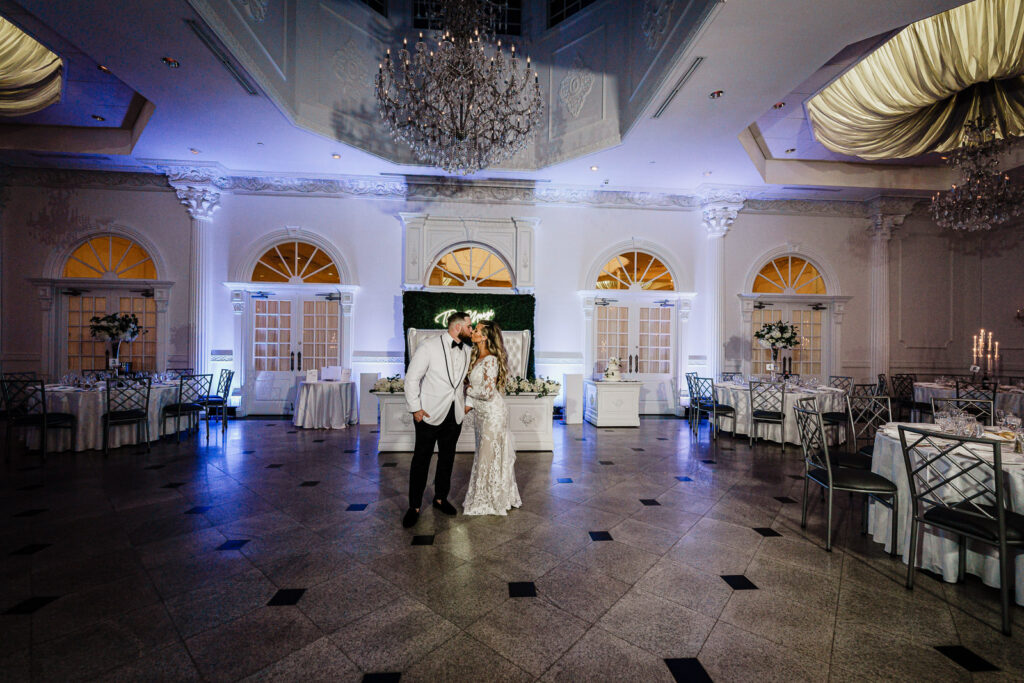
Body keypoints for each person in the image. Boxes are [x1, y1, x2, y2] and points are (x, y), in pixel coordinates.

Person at [402, 311, 473, 528]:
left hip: (455, 414)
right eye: (470, 326)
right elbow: (412, 378)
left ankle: (441, 498)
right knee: (421, 460)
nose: (472, 330)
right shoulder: (429, 347)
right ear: (457, 327)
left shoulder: (468, 350)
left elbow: (468, 381)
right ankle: (414, 506)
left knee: (447, 458)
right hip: (428, 413)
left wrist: (467, 403)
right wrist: (416, 409)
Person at [462, 320, 522, 516]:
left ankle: (491, 499)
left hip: (493, 414)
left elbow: (488, 392)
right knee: (483, 454)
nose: (473, 332)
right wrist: (467, 405)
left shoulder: (491, 360)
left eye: (477, 330)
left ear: (485, 337)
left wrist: (467, 390)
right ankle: (484, 495)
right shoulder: (476, 356)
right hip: (481, 413)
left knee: (489, 456)